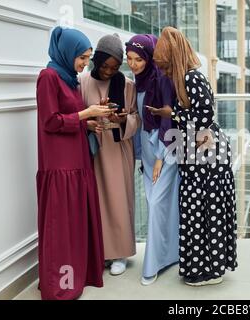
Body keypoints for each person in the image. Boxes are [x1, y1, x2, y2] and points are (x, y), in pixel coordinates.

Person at [150, 26, 238, 286]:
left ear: (174, 59)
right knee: (199, 210)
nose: (164, 72)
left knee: (202, 210)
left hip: (205, 158)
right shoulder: (187, 79)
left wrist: (175, 115)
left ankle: (209, 271)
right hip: (198, 156)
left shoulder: (191, 79)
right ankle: (205, 267)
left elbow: (205, 117)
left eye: (166, 66)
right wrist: (172, 114)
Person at [36, 26, 112, 300]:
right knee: (62, 229)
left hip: (76, 161)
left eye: (87, 57)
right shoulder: (49, 77)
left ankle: (79, 274)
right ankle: (62, 285)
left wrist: (89, 123)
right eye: (82, 57)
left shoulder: (68, 79)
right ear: (67, 52)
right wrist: (85, 113)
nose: (84, 63)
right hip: (60, 166)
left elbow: (67, 118)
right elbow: (50, 121)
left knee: (75, 224)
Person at [78, 34, 139, 276]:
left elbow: (136, 117)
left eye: (114, 68)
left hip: (118, 146)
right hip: (93, 147)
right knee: (97, 200)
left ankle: (120, 253)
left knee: (118, 199)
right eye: (105, 66)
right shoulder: (83, 82)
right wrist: (91, 120)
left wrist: (122, 119)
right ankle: (101, 252)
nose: (109, 72)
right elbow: (78, 113)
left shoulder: (126, 85)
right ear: (97, 61)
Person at [125, 34, 180, 285]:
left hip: (165, 149)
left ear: (149, 58)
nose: (133, 64)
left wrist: (160, 156)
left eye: (138, 59)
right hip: (148, 151)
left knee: (157, 203)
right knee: (157, 203)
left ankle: (152, 264)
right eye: (129, 59)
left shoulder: (163, 79)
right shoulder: (137, 82)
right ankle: (170, 254)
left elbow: (169, 119)